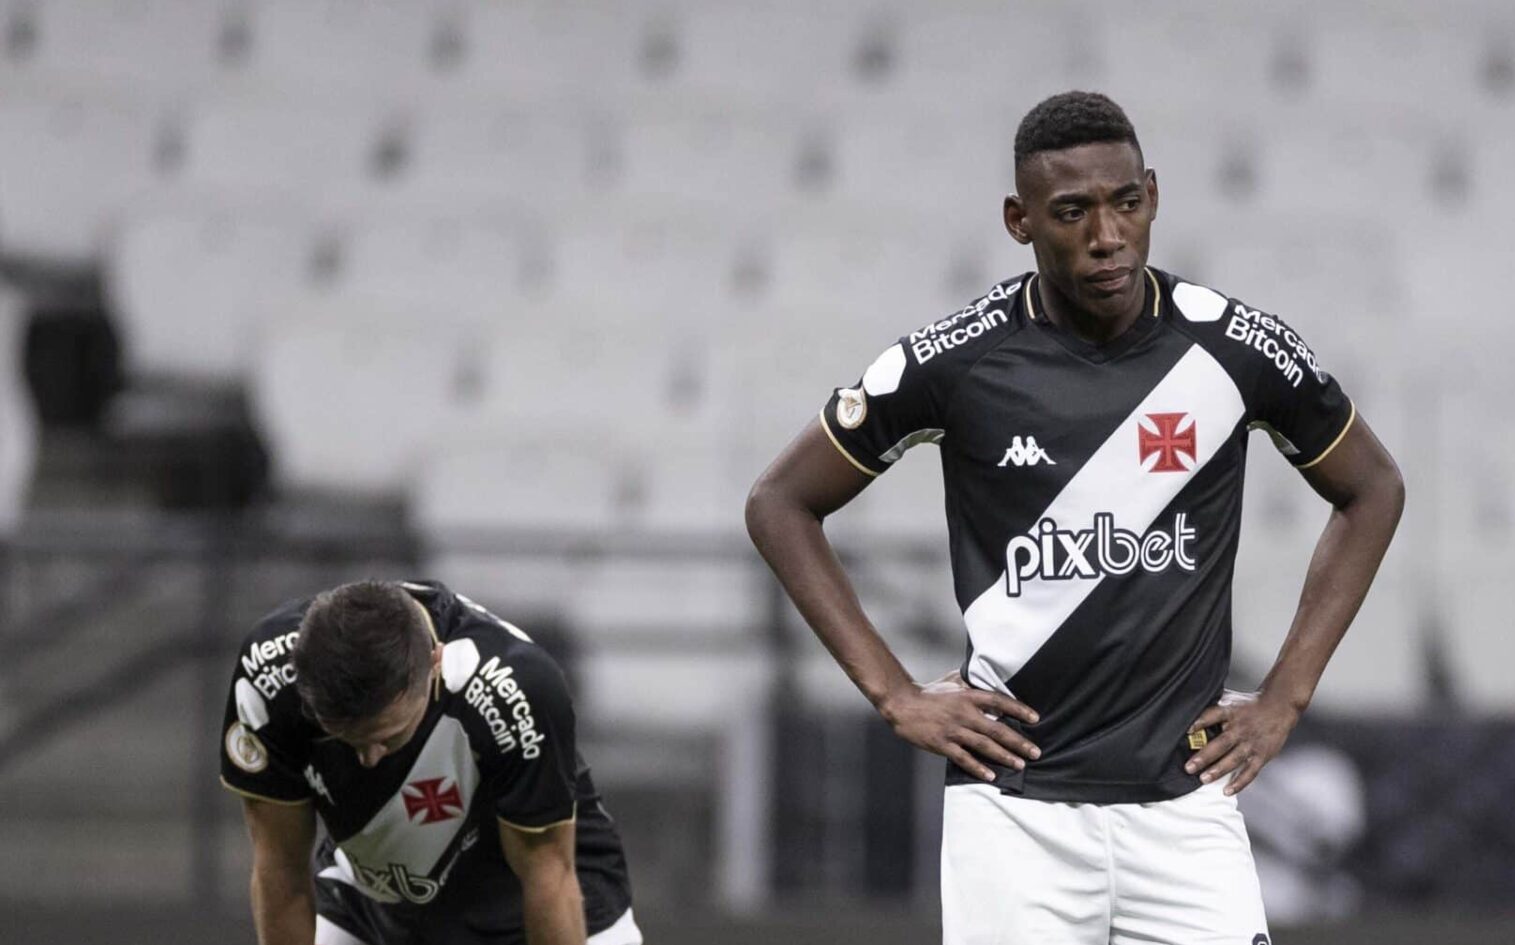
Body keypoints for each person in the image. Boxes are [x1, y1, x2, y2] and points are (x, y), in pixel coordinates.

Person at [744, 91, 1404, 944]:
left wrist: (1286, 695)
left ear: (1153, 195)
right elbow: (779, 502)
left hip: (1186, 809)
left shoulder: (1235, 348)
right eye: (1071, 212)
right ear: (1018, 220)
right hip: (1015, 815)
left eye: (1126, 203)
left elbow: (1373, 487)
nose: (1107, 235)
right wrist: (894, 693)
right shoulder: (958, 359)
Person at [220, 579, 641, 945]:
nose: (368, 759)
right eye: (344, 740)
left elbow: (548, 874)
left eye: (388, 737)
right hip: (375, 899)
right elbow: (282, 870)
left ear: (435, 664)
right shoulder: (267, 679)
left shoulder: (516, 691)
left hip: (547, 907)